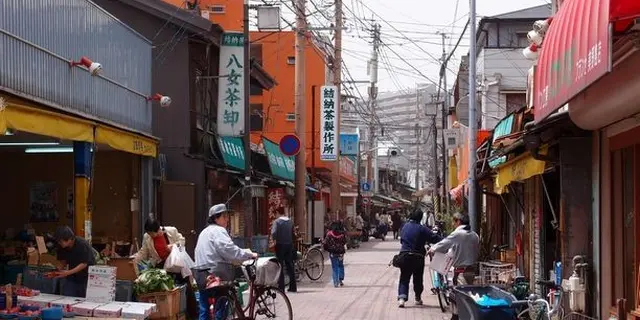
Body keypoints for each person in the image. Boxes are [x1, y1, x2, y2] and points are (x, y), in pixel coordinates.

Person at [194, 204, 258, 320]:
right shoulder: (218, 231)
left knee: (204, 308)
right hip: (216, 274)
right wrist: (249, 255)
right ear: (216, 218)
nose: (227, 219)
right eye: (224, 217)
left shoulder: (204, 232)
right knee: (222, 303)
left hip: (200, 274)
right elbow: (229, 250)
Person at [428, 212, 480, 320]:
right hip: (473, 271)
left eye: (454, 221)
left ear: (458, 221)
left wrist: (432, 250)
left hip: (461, 272)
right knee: (469, 297)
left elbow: (443, 244)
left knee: (458, 297)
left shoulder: (457, 234)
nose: (453, 224)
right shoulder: (475, 235)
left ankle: (456, 317)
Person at [396, 209, 442, 308]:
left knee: (404, 277)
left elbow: (402, 241)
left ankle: (402, 298)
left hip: (404, 255)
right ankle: (417, 298)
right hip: (418, 257)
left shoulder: (404, 226)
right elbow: (433, 238)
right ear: (421, 218)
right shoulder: (422, 228)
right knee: (418, 278)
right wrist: (445, 240)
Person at [54, 226, 96, 298]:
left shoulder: (82, 244)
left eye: (61, 241)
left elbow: (84, 264)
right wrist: (57, 270)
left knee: (83, 301)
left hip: (86, 276)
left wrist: (67, 272)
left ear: (70, 239)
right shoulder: (61, 247)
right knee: (67, 297)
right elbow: (63, 261)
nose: (59, 243)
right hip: (72, 277)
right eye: (58, 241)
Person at [270, 208, 297, 293]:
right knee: (290, 265)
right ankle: (293, 287)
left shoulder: (277, 222)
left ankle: (281, 287)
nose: (275, 216)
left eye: (275, 214)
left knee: (280, 266)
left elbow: (273, 233)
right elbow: (293, 233)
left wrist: (274, 240)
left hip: (280, 245)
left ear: (277, 212)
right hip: (289, 245)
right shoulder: (290, 222)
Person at [323, 221, 347, 287]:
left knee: (334, 267)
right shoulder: (342, 234)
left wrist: (328, 249)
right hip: (340, 253)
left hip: (332, 252)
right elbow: (344, 242)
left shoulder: (329, 234)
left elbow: (325, 243)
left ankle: (335, 282)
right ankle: (340, 280)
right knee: (340, 265)